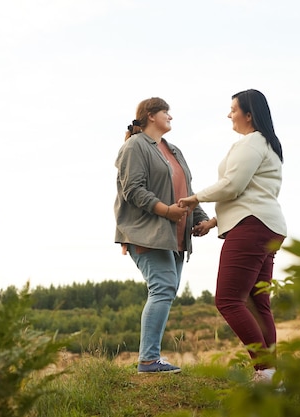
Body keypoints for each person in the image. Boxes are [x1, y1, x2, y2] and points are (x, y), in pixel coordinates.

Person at [178, 89, 287, 384]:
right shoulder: (267, 144)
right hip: (267, 225)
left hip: (252, 227)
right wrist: (214, 222)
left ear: (248, 114)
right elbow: (252, 192)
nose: (229, 114)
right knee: (257, 301)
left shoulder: (251, 143)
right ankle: (271, 372)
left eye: (233, 109)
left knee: (228, 300)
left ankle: (264, 371)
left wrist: (194, 198)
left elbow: (233, 185)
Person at [114, 97, 212, 374]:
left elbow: (187, 193)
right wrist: (165, 211)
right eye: (166, 111)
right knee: (163, 287)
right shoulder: (135, 146)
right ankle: (148, 360)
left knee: (165, 290)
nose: (171, 116)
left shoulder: (174, 150)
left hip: (176, 235)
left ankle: (151, 358)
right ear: (150, 115)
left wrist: (201, 219)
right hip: (146, 232)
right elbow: (132, 189)